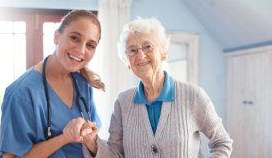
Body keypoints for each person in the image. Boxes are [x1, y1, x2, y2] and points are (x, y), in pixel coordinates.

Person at [83, 17, 233, 158]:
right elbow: (115, 154)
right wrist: (91, 143)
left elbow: (222, 142)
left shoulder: (193, 96)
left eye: (147, 47)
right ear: (127, 62)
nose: (141, 55)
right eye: (133, 50)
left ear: (163, 53)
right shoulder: (122, 102)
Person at [0, 10, 104, 158]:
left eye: (90, 45)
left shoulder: (82, 85)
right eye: (74, 38)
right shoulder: (22, 92)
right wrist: (65, 137)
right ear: (56, 37)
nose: (81, 50)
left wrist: (89, 137)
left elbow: (93, 142)